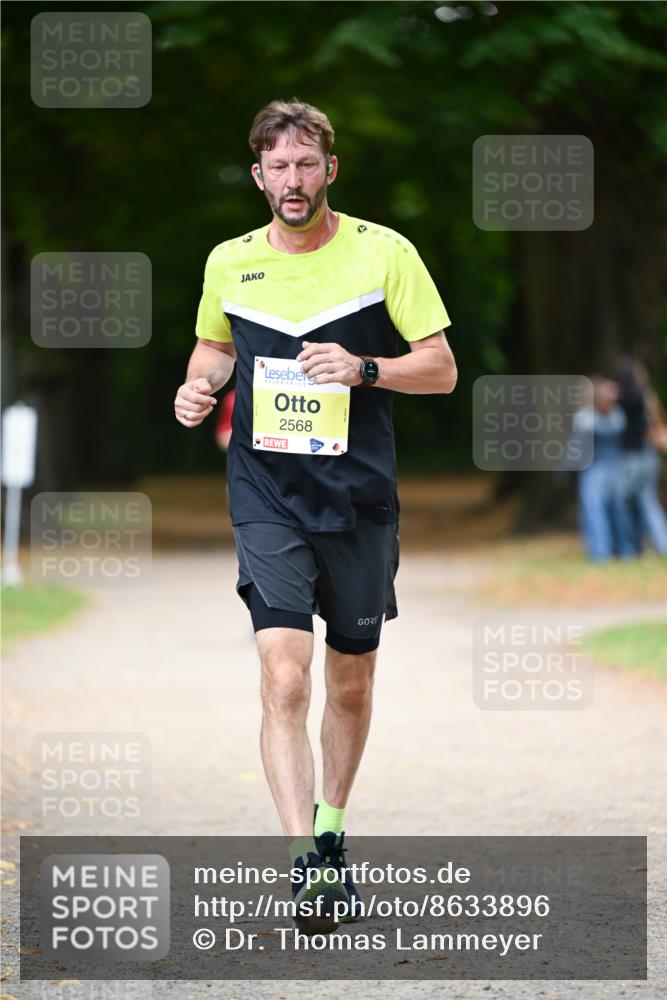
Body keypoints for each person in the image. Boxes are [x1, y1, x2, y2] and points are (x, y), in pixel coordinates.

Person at [174, 99, 457, 932]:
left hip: (359, 495)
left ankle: (333, 826)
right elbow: (214, 345)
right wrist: (199, 384)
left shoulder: (383, 253)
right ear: (257, 174)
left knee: (351, 680)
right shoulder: (229, 261)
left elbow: (438, 368)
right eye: (276, 166)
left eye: (305, 165)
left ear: (328, 171)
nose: (290, 181)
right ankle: (307, 865)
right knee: (284, 674)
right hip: (265, 491)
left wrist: (363, 366)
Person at [572, 377, 637, 562]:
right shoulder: (589, 416)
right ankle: (601, 552)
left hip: (611, 468)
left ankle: (624, 550)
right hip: (595, 468)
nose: (612, 400)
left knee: (618, 510)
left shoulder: (607, 416)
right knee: (595, 510)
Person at [614, 358, 667, 556]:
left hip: (629, 458)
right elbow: (657, 421)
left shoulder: (620, 399)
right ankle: (662, 545)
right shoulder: (647, 397)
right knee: (648, 501)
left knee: (625, 504)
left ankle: (630, 548)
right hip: (648, 455)